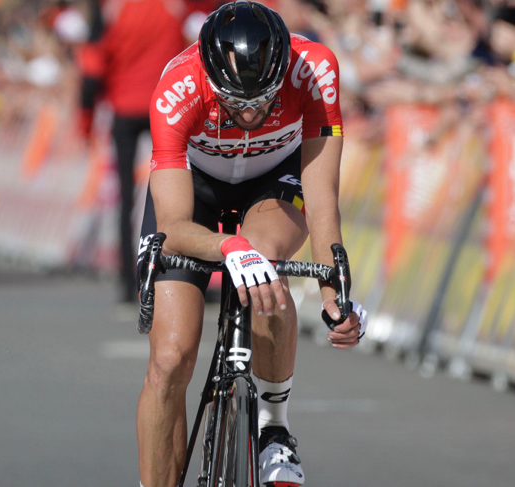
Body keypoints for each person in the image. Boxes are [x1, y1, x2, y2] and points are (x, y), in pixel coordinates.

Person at [136, 2, 368, 486]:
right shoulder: (176, 89)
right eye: (235, 101)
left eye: (263, 100)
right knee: (170, 358)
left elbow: (322, 201)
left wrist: (334, 295)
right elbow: (175, 224)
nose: (250, 112)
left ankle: (275, 428)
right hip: (194, 189)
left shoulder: (316, 70)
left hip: (274, 181)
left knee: (265, 262)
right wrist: (226, 247)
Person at [78, 0, 186, 303]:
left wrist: (85, 121)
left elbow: (93, 61)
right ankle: (179, 276)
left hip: (125, 107)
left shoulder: (111, 6)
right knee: (178, 191)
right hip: (167, 104)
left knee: (126, 201)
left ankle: (129, 282)